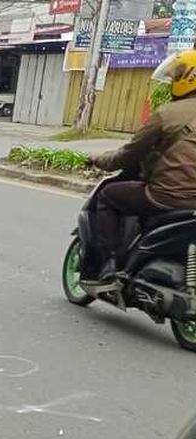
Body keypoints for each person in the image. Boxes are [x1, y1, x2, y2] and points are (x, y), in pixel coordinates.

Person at [82, 49, 196, 289]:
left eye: (175, 77)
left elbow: (128, 155)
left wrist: (98, 159)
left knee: (108, 196)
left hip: (167, 197)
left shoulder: (167, 114)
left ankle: (109, 264)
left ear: (186, 79)